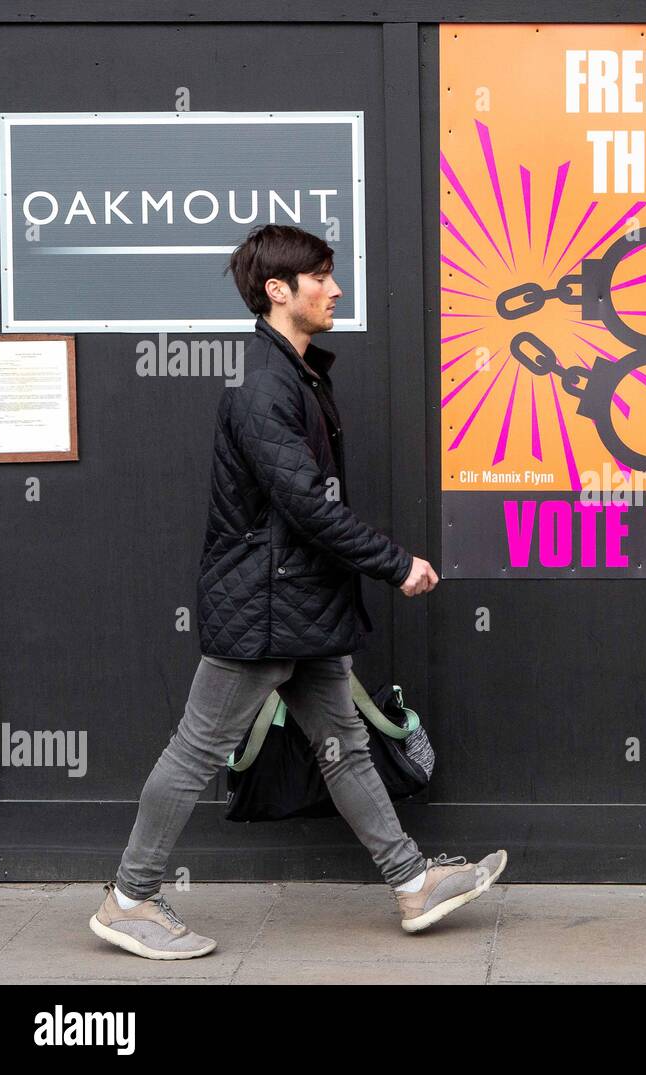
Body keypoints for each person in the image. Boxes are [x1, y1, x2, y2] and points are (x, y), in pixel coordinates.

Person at [90, 224, 505, 960]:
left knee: (343, 742)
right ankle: (130, 897)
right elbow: (306, 504)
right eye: (320, 277)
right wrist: (394, 561)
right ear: (278, 291)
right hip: (264, 608)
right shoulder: (262, 385)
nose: (335, 288)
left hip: (300, 606)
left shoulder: (297, 374)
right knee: (196, 749)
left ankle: (411, 882)